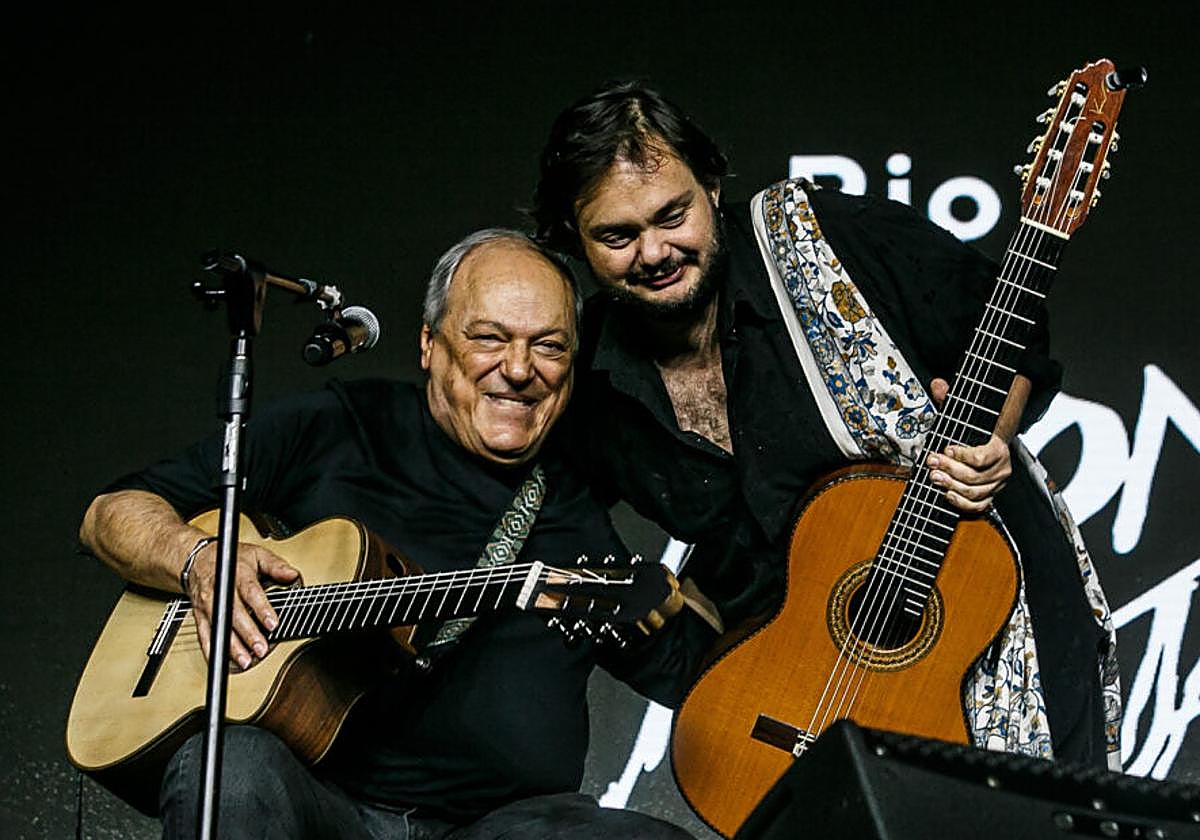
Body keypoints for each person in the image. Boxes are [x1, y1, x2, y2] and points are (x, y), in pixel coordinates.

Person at [530, 81, 1121, 769]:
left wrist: (991, 437)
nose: (656, 252)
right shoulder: (590, 382)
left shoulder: (820, 236)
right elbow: (556, 532)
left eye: (672, 216)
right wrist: (714, 678)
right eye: (618, 236)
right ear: (574, 237)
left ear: (711, 185)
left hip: (991, 619)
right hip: (807, 698)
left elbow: (1010, 329)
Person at [78, 229, 710, 839]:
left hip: (501, 826)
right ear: (430, 344)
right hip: (320, 807)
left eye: (549, 346)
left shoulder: (576, 514)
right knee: (229, 768)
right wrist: (196, 558)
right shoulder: (337, 426)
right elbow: (110, 513)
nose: (518, 369)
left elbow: (698, 673)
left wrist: (694, 605)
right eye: (490, 337)